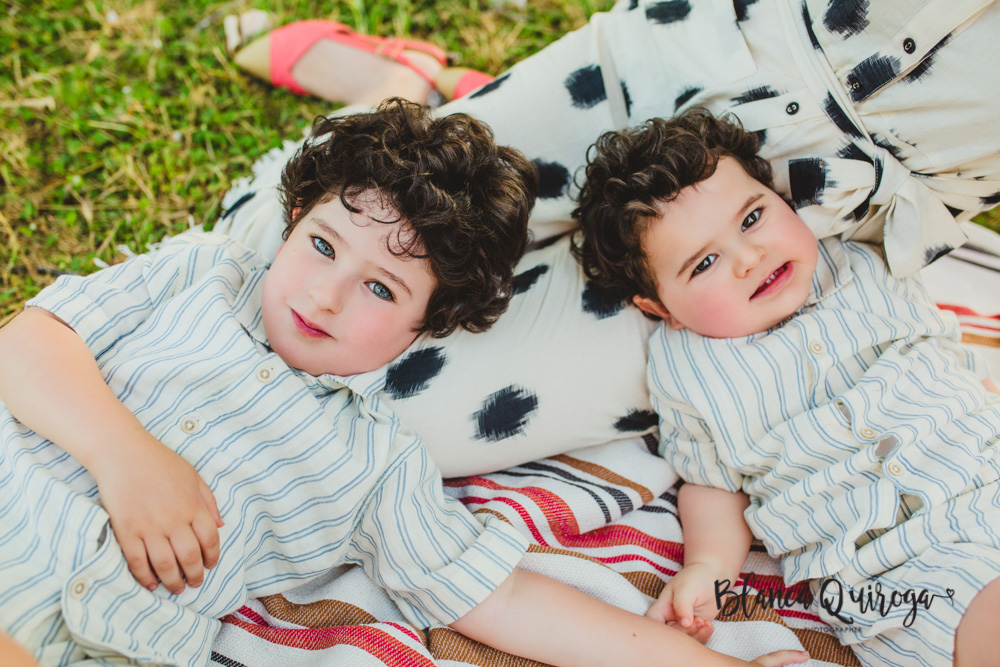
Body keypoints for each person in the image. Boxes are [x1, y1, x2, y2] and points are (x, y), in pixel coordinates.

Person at [0, 100, 807, 667]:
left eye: (382, 288)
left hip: (105, 641)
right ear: (293, 221)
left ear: (429, 321)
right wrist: (126, 458)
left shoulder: (375, 463)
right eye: (321, 245)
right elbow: (28, 342)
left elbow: (504, 601)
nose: (325, 294)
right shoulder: (204, 274)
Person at [571, 107, 1000, 667]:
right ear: (659, 307)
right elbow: (713, 484)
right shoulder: (686, 372)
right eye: (704, 263)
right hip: (893, 570)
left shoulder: (863, 260)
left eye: (752, 218)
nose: (752, 258)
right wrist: (707, 569)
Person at [229, 0, 1000, 277]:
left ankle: (444, 101)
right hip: (709, 50)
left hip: (847, 206)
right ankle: (402, 90)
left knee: (416, 395)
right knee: (261, 256)